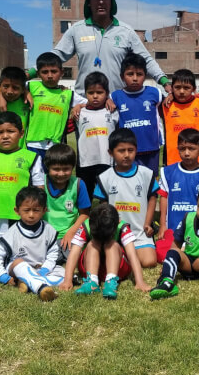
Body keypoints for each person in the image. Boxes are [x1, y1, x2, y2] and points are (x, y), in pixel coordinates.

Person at [51, 0, 170, 96]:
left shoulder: (126, 31)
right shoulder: (76, 30)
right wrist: (32, 72)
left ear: (111, 2)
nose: (101, 2)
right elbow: (55, 57)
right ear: (89, 2)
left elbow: (146, 60)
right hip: (85, 103)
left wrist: (164, 82)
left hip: (116, 103)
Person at [0, 112, 45, 258]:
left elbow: (39, 187)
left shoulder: (31, 157)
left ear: (21, 133)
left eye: (10, 131)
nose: (5, 136)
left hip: (19, 215)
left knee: (20, 252)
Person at [93, 128, 159, 268]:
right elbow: (103, 207)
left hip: (139, 233)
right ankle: (122, 253)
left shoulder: (146, 174)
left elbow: (152, 198)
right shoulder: (105, 177)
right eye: (121, 151)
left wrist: (148, 223)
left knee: (149, 261)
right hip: (115, 233)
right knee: (106, 257)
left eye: (131, 150)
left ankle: (125, 255)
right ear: (110, 153)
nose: (127, 155)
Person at [0, 186, 64, 301]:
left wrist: (45, 269)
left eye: (36, 210)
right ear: (17, 210)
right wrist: (2, 276)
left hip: (41, 269)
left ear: (44, 210)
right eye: (26, 210)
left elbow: (53, 253)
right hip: (17, 268)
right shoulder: (12, 232)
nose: (31, 215)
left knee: (64, 273)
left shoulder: (48, 229)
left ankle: (26, 282)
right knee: (19, 262)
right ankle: (40, 288)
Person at [61, 203, 150, 299]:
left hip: (117, 268)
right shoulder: (85, 226)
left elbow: (132, 255)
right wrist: (67, 280)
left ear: (118, 222)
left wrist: (140, 281)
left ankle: (111, 281)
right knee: (92, 244)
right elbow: (74, 252)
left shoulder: (122, 227)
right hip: (90, 267)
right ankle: (91, 282)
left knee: (112, 245)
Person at [157, 128, 199, 246]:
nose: (187, 153)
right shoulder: (168, 172)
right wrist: (163, 225)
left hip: (198, 232)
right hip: (172, 230)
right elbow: (163, 198)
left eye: (191, 148)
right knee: (162, 253)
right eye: (182, 149)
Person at [24, 53, 84, 158]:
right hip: (32, 144)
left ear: (62, 72)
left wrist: (79, 106)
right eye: (45, 72)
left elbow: (90, 103)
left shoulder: (68, 94)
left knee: (55, 174)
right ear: (38, 74)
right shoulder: (31, 86)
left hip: (56, 146)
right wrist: (25, 92)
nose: (50, 75)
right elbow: (12, 83)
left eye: (54, 71)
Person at [111, 52, 163, 175]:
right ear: (122, 77)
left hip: (151, 149)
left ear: (145, 76)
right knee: (129, 182)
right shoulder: (114, 96)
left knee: (151, 183)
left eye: (139, 74)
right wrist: (79, 105)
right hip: (126, 151)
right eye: (130, 74)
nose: (135, 78)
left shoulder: (155, 93)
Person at [74, 71, 118, 197]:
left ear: (107, 93)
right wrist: (78, 106)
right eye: (91, 92)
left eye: (99, 92)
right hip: (85, 163)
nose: (95, 96)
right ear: (85, 93)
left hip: (107, 161)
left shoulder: (113, 111)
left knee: (107, 196)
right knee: (85, 196)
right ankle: (85, 216)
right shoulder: (79, 113)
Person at [42, 144, 91, 252]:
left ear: (72, 167)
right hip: (45, 235)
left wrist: (71, 232)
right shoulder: (40, 183)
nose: (61, 173)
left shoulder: (78, 184)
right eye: (56, 169)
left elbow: (84, 214)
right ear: (47, 167)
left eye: (66, 169)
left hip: (70, 233)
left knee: (73, 256)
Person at [161, 68, 199, 167]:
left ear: (193, 89)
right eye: (177, 87)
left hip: (197, 157)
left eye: (186, 88)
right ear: (172, 88)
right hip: (172, 158)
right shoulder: (165, 104)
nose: (181, 91)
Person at [0, 66, 31, 138]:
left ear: (23, 89)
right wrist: (0, 95)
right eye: (6, 86)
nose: (10, 91)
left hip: (21, 148)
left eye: (15, 88)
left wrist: (27, 93)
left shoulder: (28, 103)